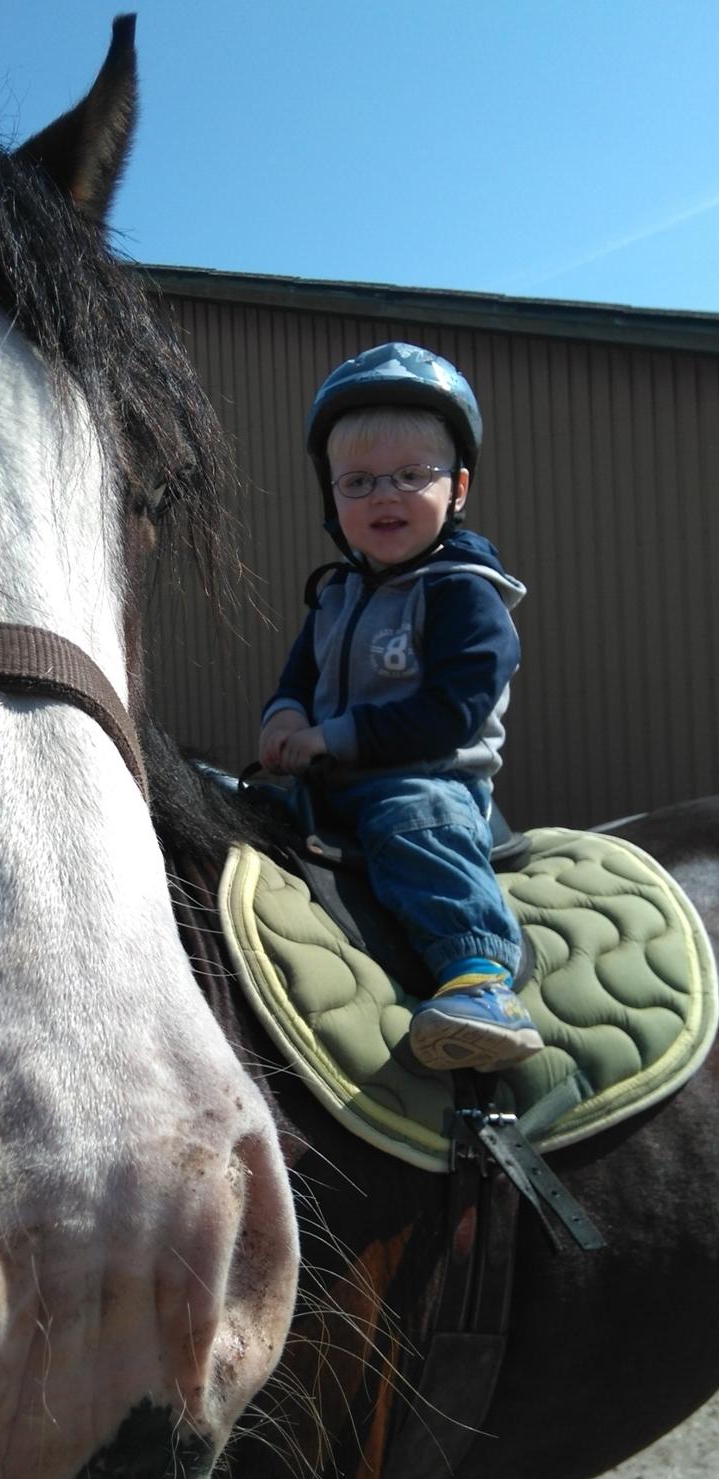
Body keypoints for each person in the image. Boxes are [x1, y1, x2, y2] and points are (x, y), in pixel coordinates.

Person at [258, 342, 542, 1073]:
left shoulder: (461, 592)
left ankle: (477, 975)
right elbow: (296, 677)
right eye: (356, 481)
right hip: (332, 776)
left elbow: (451, 712)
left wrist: (334, 737)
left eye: (411, 475)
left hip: (429, 772)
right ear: (332, 499)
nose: (383, 494)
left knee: (411, 817)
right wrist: (284, 721)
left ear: (458, 488)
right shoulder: (336, 594)